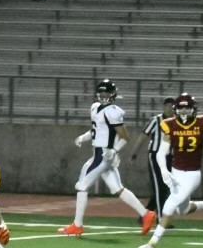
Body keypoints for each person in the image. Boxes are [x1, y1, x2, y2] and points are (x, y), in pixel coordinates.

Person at [58, 79, 156, 236]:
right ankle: (146, 214)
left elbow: (125, 137)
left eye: (107, 93)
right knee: (117, 188)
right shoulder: (95, 107)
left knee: (82, 186)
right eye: (101, 93)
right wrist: (83, 138)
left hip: (103, 155)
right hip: (99, 153)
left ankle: (77, 225)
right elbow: (97, 130)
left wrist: (115, 150)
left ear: (113, 94)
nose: (104, 96)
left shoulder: (113, 111)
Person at [138, 94, 203, 248]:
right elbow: (161, 152)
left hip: (192, 174)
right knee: (182, 209)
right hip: (176, 171)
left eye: (187, 107)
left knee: (169, 206)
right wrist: (163, 170)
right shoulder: (170, 125)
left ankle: (152, 244)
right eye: (181, 107)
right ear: (176, 109)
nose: (184, 110)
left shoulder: (202, 123)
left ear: (193, 109)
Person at [129, 97, 175, 222]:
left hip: (171, 157)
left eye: (172, 106)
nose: (170, 109)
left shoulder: (177, 122)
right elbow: (144, 136)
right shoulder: (156, 120)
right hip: (155, 156)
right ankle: (161, 219)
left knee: (167, 188)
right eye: (168, 106)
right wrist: (135, 153)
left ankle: (145, 215)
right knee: (159, 187)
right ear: (164, 107)